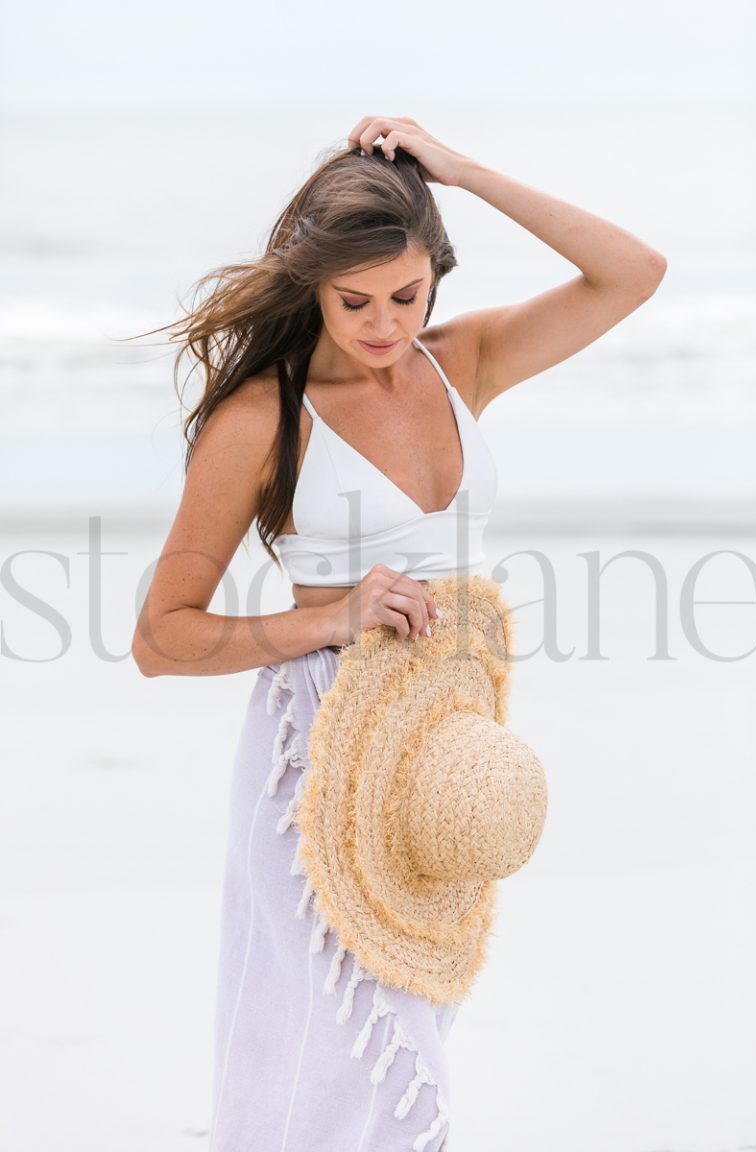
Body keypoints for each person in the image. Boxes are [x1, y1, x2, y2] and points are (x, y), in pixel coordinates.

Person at [131, 115, 666, 1151]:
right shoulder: (267, 417)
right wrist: (331, 615)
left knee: (409, 1030)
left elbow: (631, 273)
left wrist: (459, 171)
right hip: (317, 748)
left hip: (443, 748)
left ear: (437, 276)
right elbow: (163, 637)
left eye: (407, 294)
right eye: (353, 301)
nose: (382, 323)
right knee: (346, 1055)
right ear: (314, 286)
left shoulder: (464, 362)